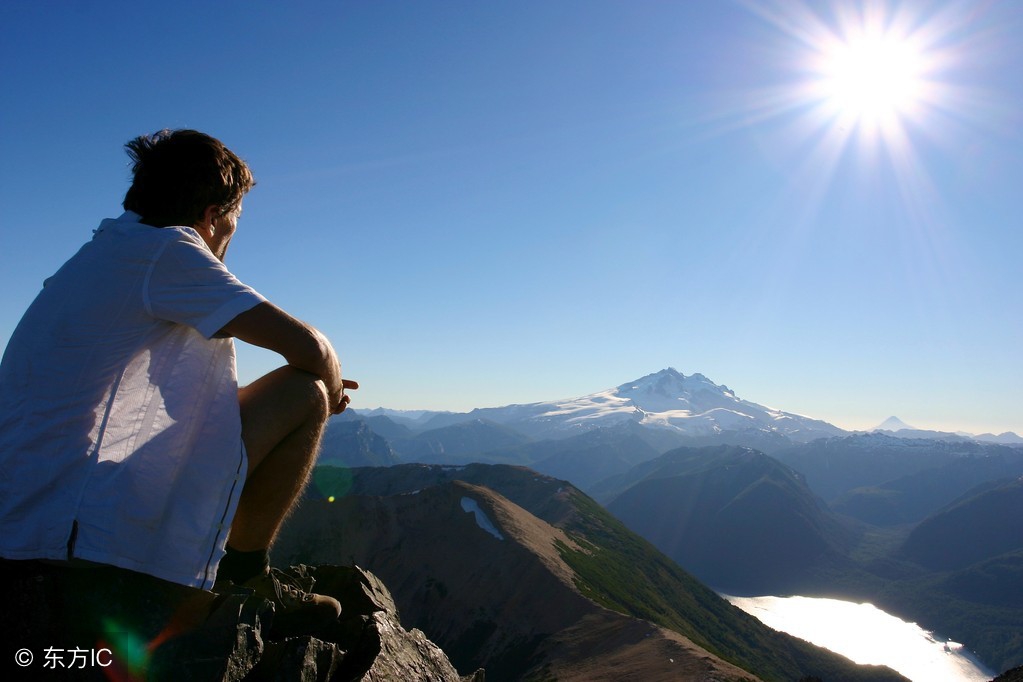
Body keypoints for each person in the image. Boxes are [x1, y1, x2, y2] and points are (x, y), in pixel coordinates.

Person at [0, 129, 357, 634]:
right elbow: (310, 348)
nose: (231, 235)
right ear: (213, 215)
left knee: (283, 398)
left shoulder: (107, 253)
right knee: (305, 392)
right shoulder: (168, 253)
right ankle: (244, 579)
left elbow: (187, 407)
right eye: (233, 221)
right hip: (71, 524)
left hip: (36, 503)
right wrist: (335, 388)